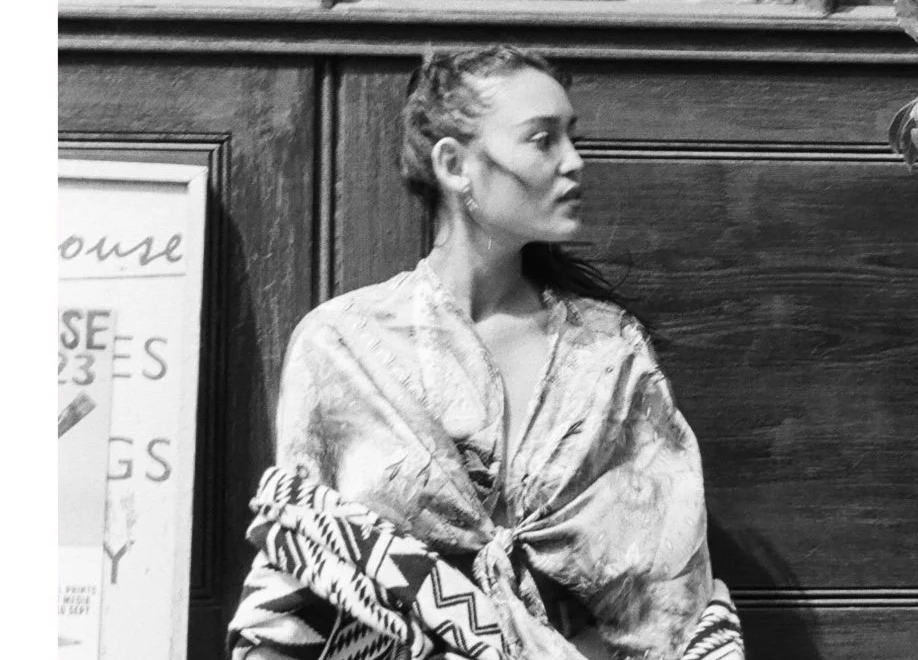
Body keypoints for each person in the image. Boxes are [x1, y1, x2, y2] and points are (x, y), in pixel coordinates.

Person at [229, 45, 741, 660]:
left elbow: (671, 587)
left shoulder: (608, 351)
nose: (574, 162)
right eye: (542, 139)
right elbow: (299, 564)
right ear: (455, 165)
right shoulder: (341, 344)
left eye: (571, 137)